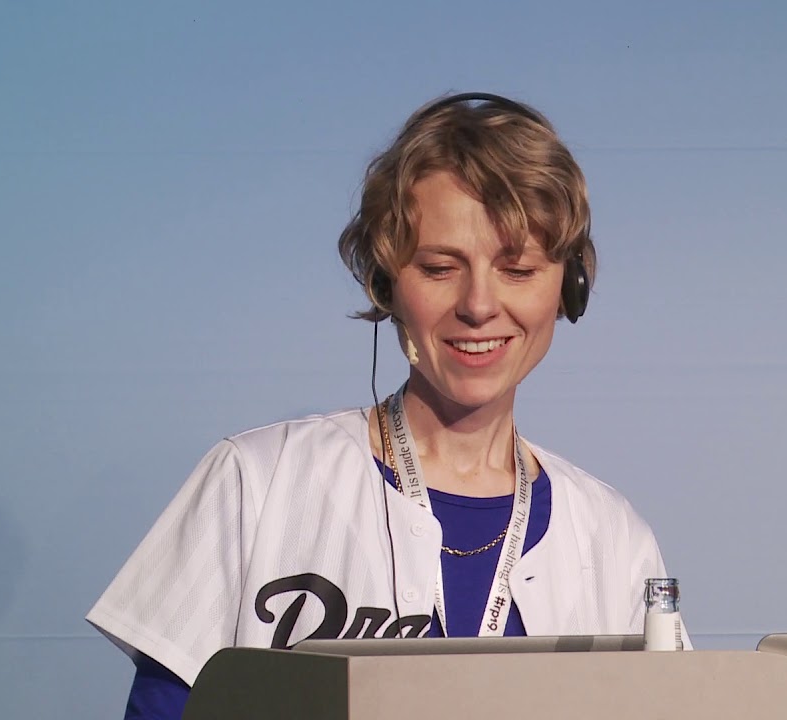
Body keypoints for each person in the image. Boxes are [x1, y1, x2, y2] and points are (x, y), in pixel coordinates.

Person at [86, 92, 687, 720]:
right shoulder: (255, 482)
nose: (479, 306)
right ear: (382, 281)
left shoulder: (613, 539)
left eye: (517, 270)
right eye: (440, 268)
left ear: (569, 286)